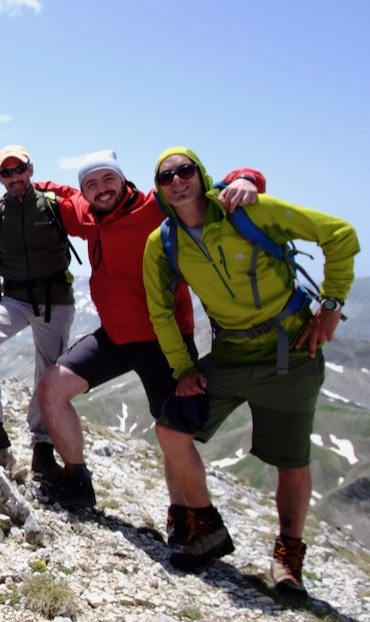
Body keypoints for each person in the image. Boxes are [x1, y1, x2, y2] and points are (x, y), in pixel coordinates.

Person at [142, 147, 358, 598]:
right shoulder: (163, 241)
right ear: (159, 189)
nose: (178, 181)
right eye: (167, 177)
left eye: (185, 171)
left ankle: (288, 557)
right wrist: (183, 369)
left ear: (201, 175)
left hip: (291, 351)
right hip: (231, 354)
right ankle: (208, 525)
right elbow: (160, 311)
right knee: (170, 431)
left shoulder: (248, 210)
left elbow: (339, 234)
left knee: (291, 461)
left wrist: (331, 307)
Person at [35, 154, 260, 520]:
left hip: (164, 338)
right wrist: (31, 183)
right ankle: (77, 480)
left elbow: (209, 187)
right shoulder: (87, 212)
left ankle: (185, 516)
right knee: (51, 388)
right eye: (90, 184)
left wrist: (247, 177)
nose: (101, 189)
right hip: (114, 336)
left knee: (172, 431)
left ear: (123, 179)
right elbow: (65, 192)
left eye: (108, 179)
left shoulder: (157, 205)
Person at [0, 145, 80, 479]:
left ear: (31, 170)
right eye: (6, 172)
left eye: (19, 170)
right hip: (14, 299)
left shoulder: (56, 206)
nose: (13, 177)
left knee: (49, 373)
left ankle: (43, 448)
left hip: (54, 298)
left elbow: (90, 216)